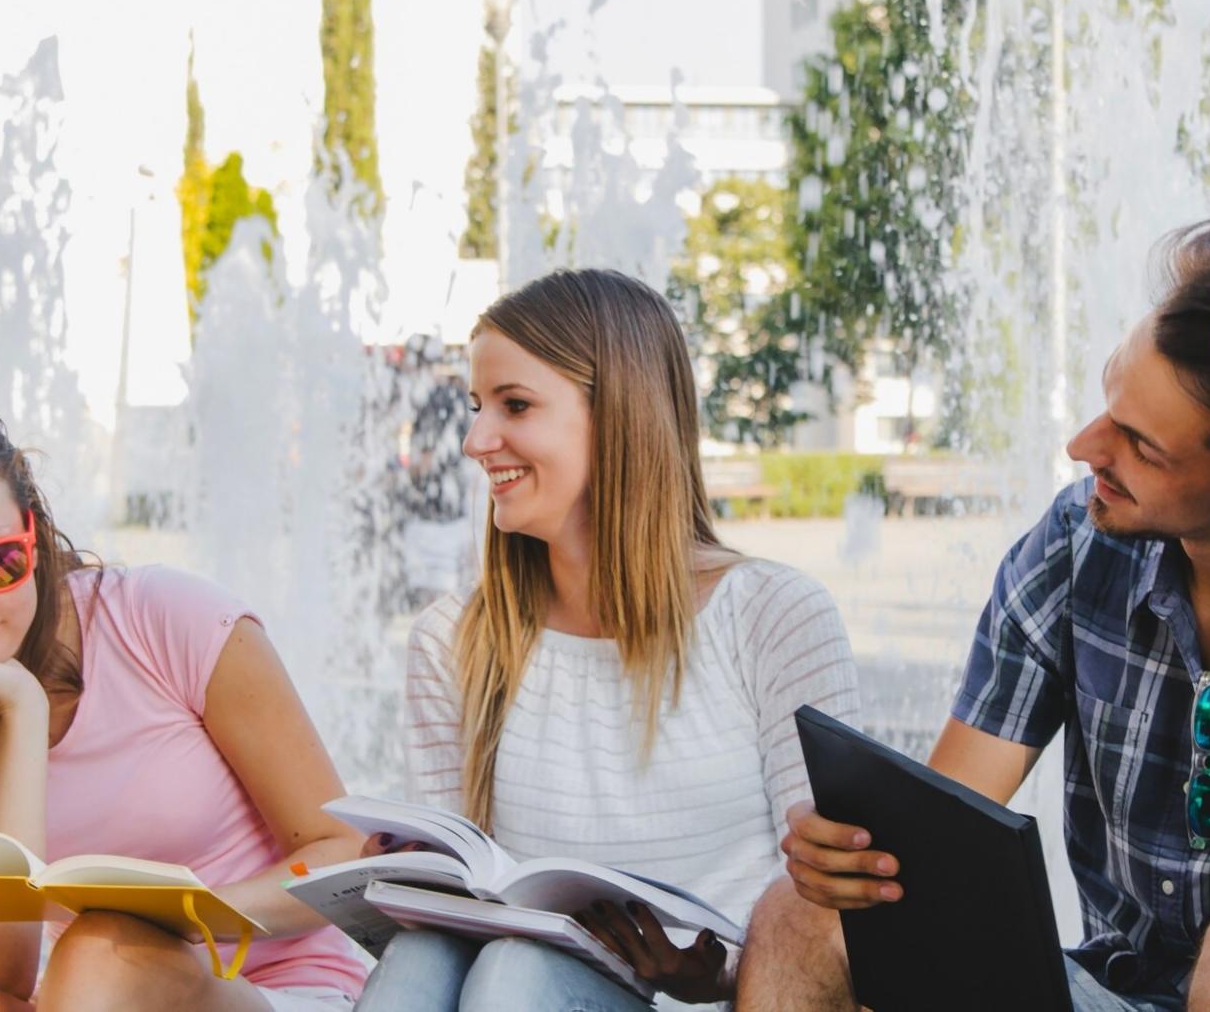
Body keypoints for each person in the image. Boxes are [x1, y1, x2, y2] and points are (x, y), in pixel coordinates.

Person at [738, 221, 1210, 1011]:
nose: (1082, 446)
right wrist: (854, 859)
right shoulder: (1077, 543)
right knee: (807, 916)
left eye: (1139, 444)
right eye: (1109, 405)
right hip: (1125, 992)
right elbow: (943, 836)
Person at [353, 268, 862, 1011]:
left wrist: (711, 976)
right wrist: (410, 882)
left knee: (515, 978)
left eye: (515, 405)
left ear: (619, 415)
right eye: (475, 407)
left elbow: (830, 917)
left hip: (717, 1001)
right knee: (427, 957)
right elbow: (460, 894)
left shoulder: (774, 615)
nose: (474, 441)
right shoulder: (452, 639)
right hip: (520, 988)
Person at [0, 401, 369, 1011]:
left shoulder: (164, 618)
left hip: (279, 989)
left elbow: (342, 851)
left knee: (101, 949)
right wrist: (20, 710)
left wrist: (183, 923)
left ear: (32, 536)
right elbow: (0, 972)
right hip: (89, 1000)